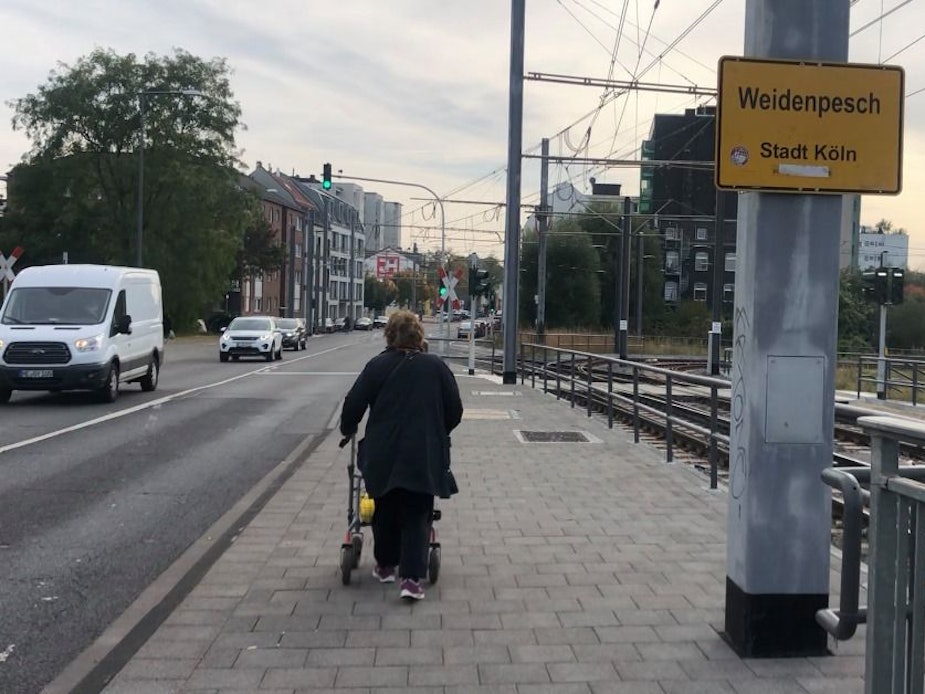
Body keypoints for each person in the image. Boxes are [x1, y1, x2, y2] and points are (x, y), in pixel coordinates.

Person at [340, 310, 463, 601]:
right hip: (423, 453)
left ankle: (385, 565)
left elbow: (353, 404)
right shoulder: (436, 367)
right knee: (417, 513)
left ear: (390, 335)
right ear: (419, 336)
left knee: (384, 507)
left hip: (382, 453)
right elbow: (455, 410)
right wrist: (437, 429)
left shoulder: (377, 366)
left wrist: (348, 429)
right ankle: (411, 579)